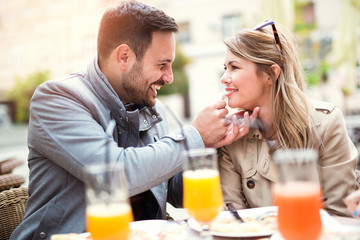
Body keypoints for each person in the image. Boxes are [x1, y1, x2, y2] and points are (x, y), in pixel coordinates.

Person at [10, 1, 254, 239]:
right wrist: (197, 135)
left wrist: (214, 142)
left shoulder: (149, 106)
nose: (169, 77)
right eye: (162, 64)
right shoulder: (58, 98)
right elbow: (116, 175)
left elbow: (176, 192)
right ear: (124, 57)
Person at [217, 20, 358, 217]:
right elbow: (232, 219)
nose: (224, 77)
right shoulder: (231, 136)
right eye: (225, 67)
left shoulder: (326, 123)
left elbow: (341, 212)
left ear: (271, 74)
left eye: (234, 67)